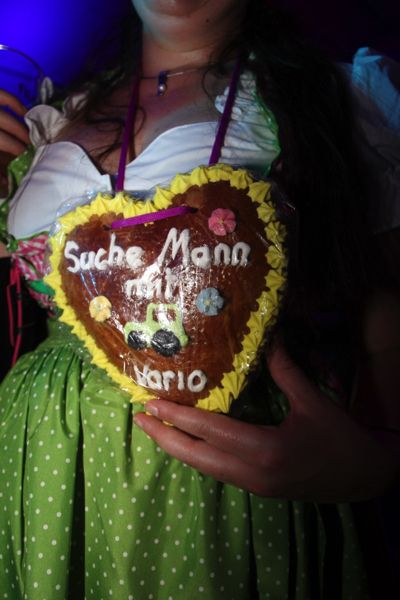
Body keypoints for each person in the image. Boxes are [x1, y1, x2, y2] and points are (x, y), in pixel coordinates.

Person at [0, 1, 399, 598]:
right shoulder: (54, 117)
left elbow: (385, 317)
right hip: (45, 463)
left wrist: (376, 459)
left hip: (225, 489)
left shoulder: (338, 99)